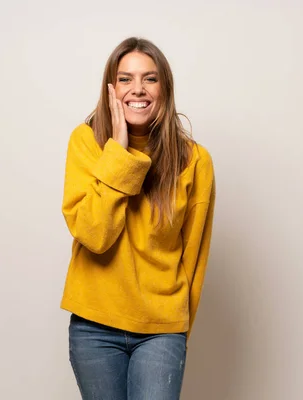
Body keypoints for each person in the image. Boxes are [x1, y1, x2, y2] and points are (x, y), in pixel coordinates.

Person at [60, 37, 216, 400]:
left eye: (150, 78)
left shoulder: (195, 160)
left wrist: (179, 330)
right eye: (126, 79)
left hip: (162, 328)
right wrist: (118, 148)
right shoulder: (86, 143)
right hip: (94, 326)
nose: (138, 89)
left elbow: (195, 255)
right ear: (111, 89)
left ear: (165, 87)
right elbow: (94, 234)